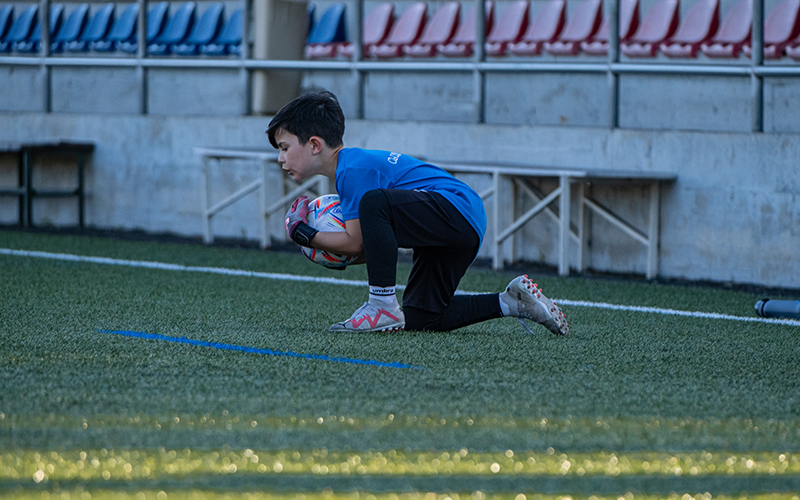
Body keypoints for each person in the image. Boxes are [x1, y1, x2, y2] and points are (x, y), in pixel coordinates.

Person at [267, 90, 569, 335]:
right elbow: (373, 246)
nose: (281, 158)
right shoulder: (351, 170)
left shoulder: (353, 168)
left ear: (315, 144)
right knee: (423, 316)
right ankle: (511, 302)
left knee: (374, 202)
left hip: (455, 207)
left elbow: (356, 243)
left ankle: (381, 305)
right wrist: (321, 242)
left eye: (284, 147)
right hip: (462, 223)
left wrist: (305, 234)